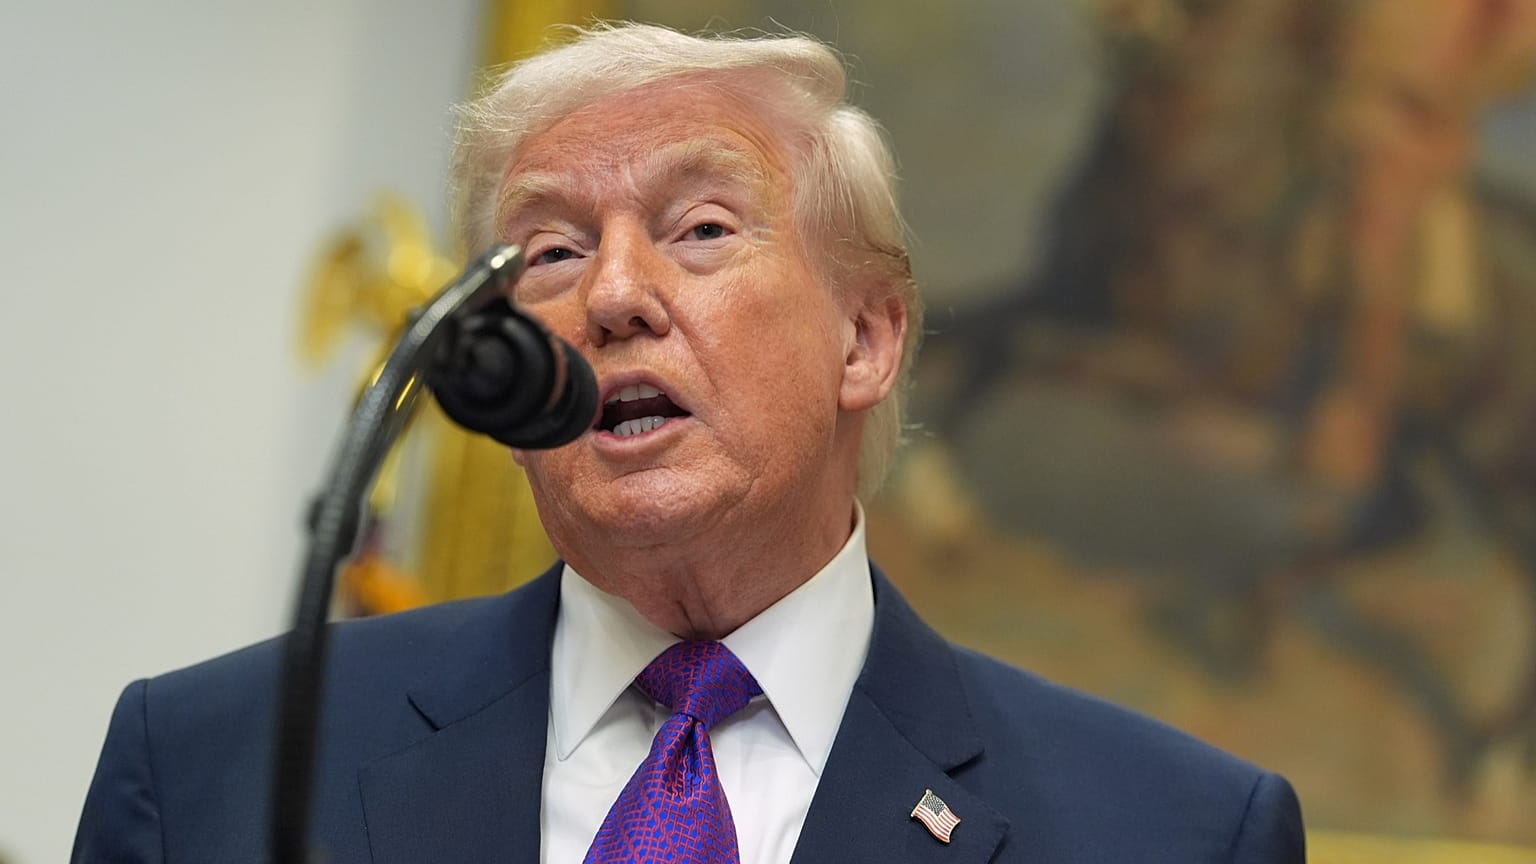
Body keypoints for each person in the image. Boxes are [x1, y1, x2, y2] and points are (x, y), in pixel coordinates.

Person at [72, 22, 1305, 864]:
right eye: (550, 250)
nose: (613, 295)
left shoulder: (1170, 831)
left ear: (866, 340)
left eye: (702, 228)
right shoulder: (205, 771)